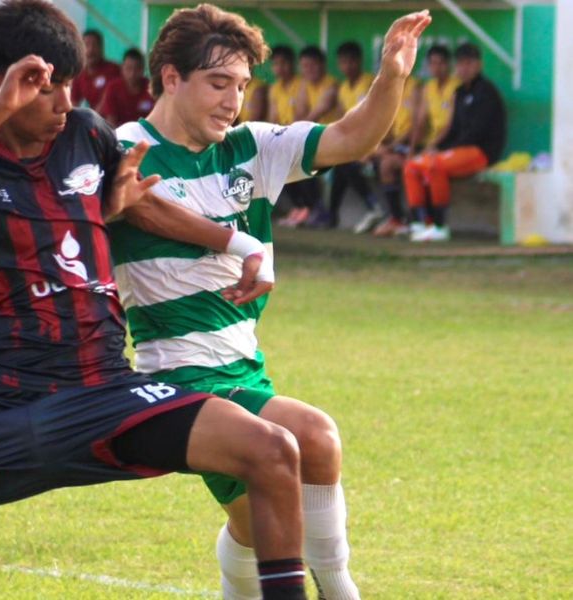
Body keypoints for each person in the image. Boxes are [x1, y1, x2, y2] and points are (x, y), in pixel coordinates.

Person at [0, 2, 310, 599]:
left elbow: (139, 204)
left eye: (70, 84)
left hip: (102, 390)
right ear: (2, 85)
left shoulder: (86, 133)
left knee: (273, 450)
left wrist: (237, 242)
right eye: (48, 87)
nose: (66, 102)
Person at [108, 5, 431, 599]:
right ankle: (340, 589)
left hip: (244, 365)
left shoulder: (252, 146)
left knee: (260, 530)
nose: (233, 101)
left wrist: (391, 76)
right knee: (315, 436)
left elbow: (353, 137)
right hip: (178, 374)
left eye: (241, 86)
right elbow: (140, 206)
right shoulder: (127, 148)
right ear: (171, 77)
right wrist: (241, 241)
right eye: (218, 83)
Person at [403, 42, 505, 242]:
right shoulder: (459, 92)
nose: (464, 68)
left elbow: (476, 133)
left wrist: (443, 151)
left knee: (435, 165)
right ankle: (421, 222)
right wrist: (436, 148)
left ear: (478, 65)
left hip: (481, 152)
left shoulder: (487, 92)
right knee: (412, 166)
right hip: (457, 151)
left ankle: (440, 226)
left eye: (469, 64)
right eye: (460, 64)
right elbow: (453, 129)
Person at [328, 41, 383, 233]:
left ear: (359, 61)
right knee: (339, 163)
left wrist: (367, 147)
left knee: (345, 163)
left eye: (352, 61)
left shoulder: (370, 83)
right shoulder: (343, 87)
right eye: (344, 62)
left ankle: (372, 207)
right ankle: (333, 214)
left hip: (374, 141)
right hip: (355, 143)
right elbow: (343, 120)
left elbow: (377, 117)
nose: (348, 66)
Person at [265, 45, 314, 229]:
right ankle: (297, 206)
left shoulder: (301, 84)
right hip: (283, 136)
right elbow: (272, 117)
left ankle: (308, 207)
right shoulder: (275, 88)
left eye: (284, 63)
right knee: (273, 161)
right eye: (276, 64)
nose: (280, 68)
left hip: (301, 135)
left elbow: (302, 115)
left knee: (294, 160)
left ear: (292, 64)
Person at [370, 74, 421, 237]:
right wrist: (380, 145)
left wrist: (391, 147)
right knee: (371, 159)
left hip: (414, 146)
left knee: (388, 164)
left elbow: (416, 127)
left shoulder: (415, 88)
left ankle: (408, 219)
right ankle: (394, 217)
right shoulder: (390, 88)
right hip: (397, 145)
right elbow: (388, 126)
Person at [293, 46, 338, 228]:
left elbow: (316, 113)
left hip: (334, 139)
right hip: (316, 140)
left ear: (322, 65)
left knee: (304, 158)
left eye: (312, 65)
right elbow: (300, 112)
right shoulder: (304, 86)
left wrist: (295, 131)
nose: (309, 70)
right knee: (289, 158)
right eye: (305, 66)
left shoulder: (332, 85)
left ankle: (322, 211)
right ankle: (310, 208)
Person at [96, 47, 154, 127]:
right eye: (128, 68)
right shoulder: (113, 88)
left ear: (143, 69)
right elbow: (111, 122)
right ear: (122, 68)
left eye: (137, 69)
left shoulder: (151, 88)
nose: (132, 74)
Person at [71, 29, 120, 108]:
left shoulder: (114, 70)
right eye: (87, 45)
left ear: (101, 48)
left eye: (95, 45)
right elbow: (74, 102)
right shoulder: (79, 74)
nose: (91, 50)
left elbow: (107, 101)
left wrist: (94, 114)